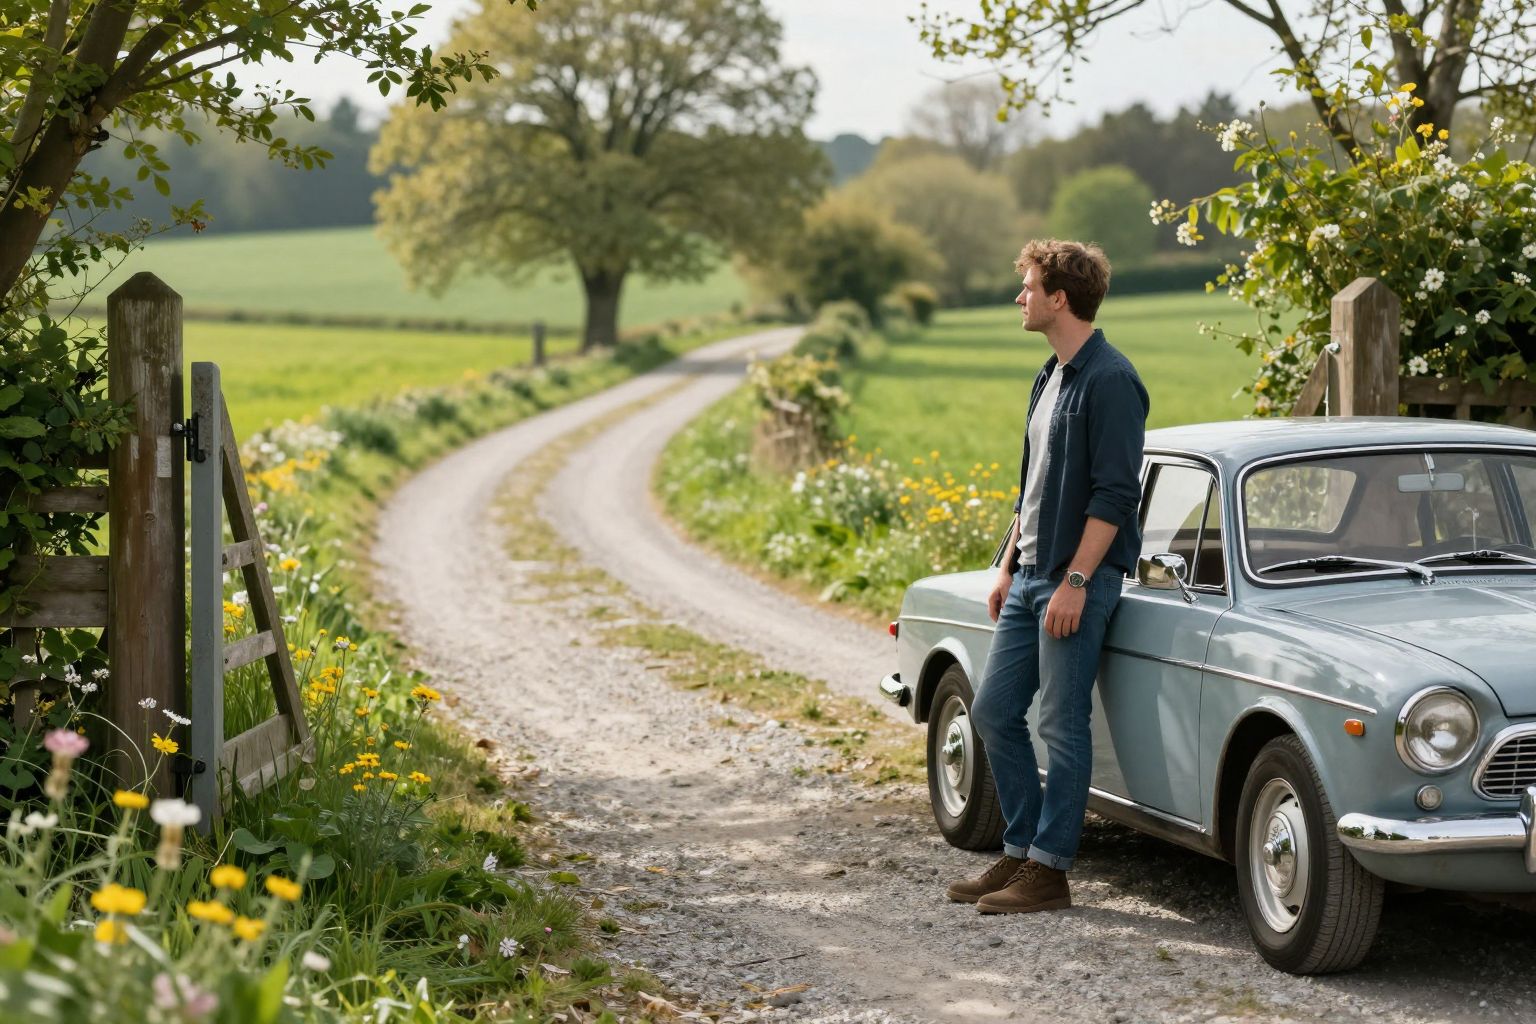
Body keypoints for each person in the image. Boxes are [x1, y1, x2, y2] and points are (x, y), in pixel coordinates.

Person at [946, 239, 1148, 915]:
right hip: (1030, 577)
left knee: (1062, 724)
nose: (1020, 297)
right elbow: (1029, 486)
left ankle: (1051, 869)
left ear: (1059, 299)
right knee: (994, 711)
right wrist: (1007, 566)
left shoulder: (1111, 380)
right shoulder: (1050, 375)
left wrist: (1078, 582)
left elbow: (1116, 496)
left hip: (1075, 584)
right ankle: (1022, 849)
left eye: (1029, 288)